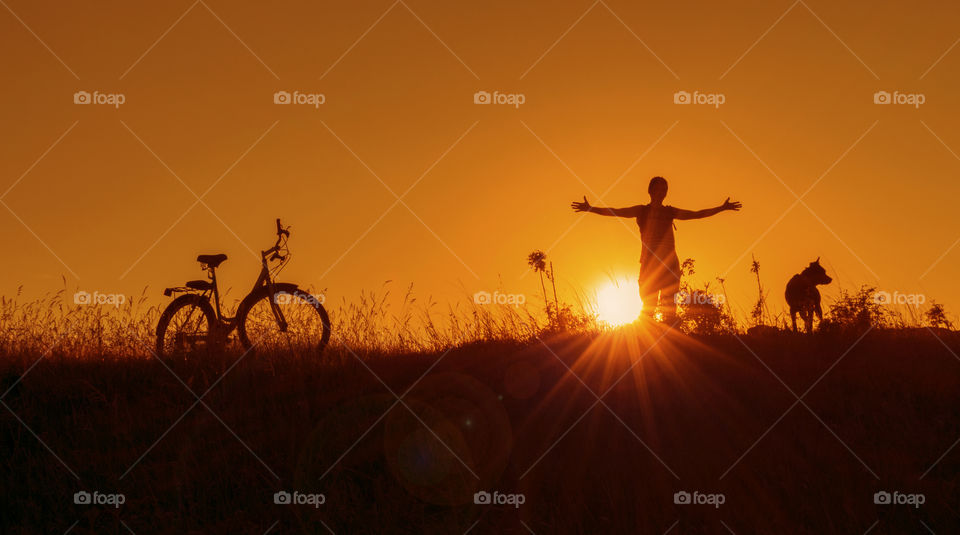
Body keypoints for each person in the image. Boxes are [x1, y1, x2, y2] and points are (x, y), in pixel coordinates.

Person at [571, 176, 741, 324]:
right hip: (649, 263)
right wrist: (590, 208)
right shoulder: (641, 211)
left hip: (670, 263)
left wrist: (722, 208)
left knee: (669, 308)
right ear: (650, 191)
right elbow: (615, 212)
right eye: (659, 189)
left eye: (665, 189)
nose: (662, 192)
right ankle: (647, 344)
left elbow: (697, 214)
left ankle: (668, 342)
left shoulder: (670, 212)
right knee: (648, 306)